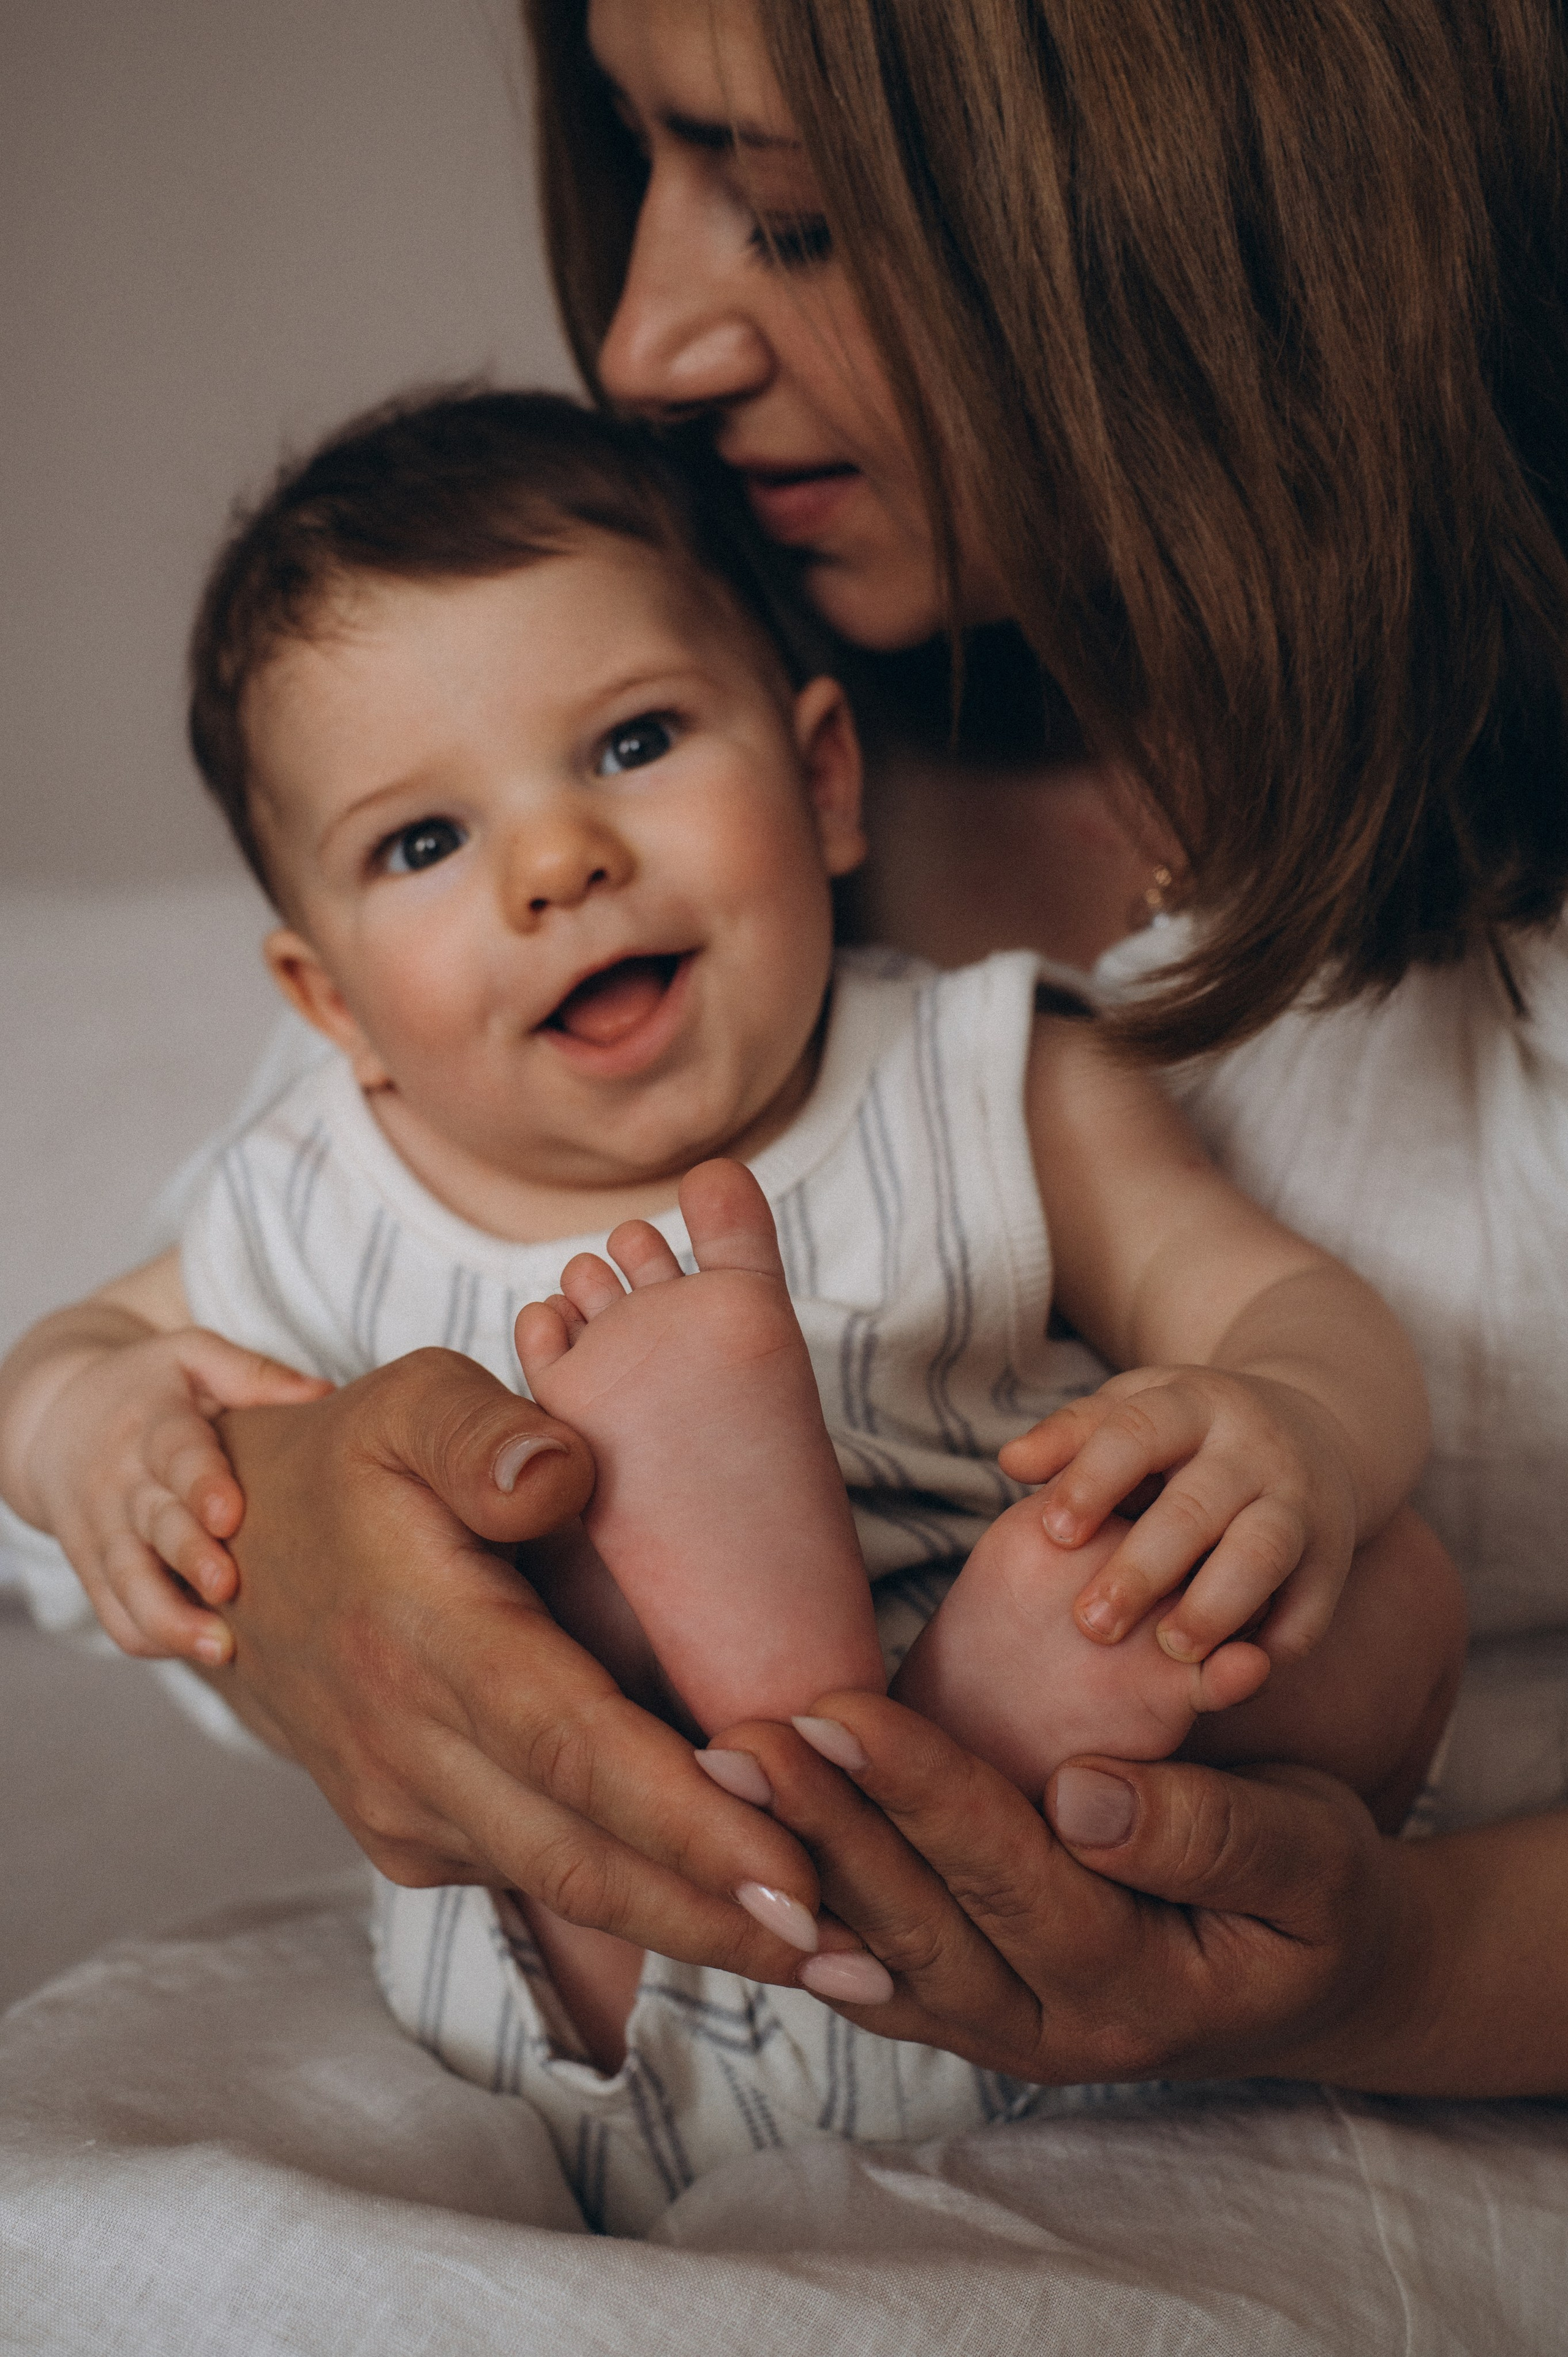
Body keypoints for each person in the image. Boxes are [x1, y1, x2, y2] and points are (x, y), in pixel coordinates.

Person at [14, 0, 1568, 2102]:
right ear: (318, 999)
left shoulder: (962, 1062)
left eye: (799, 217)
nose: (645, 344)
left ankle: (894, 1726)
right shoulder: (380, 1100)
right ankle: (712, 1604)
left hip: (1060, 1909)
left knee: (1335, 1596)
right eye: (429, 842)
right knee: (570, 1519)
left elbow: (1279, 1318)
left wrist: (1284, 1444)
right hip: (611, 1962)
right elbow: (98, 1410)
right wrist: (247, 1527)